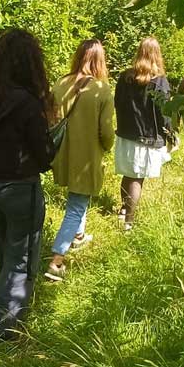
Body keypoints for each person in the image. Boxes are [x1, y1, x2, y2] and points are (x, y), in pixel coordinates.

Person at [0, 29, 55, 339]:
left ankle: (4, 310)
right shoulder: (28, 103)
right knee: (22, 257)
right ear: (31, 64)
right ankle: (1, 325)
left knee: (6, 250)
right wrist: (54, 144)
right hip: (19, 187)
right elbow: (44, 157)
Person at [45, 39, 115, 282]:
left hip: (63, 154)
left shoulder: (61, 83)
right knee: (76, 205)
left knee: (77, 197)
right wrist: (108, 146)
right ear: (100, 60)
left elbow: (50, 120)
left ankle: (78, 236)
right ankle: (56, 261)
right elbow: (106, 132)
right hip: (86, 155)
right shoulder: (101, 89)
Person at [113, 37, 173, 231]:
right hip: (147, 138)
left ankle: (124, 211)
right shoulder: (160, 82)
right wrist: (170, 134)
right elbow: (164, 113)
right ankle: (128, 223)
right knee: (137, 178)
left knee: (128, 174)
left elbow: (117, 104)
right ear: (157, 55)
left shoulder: (125, 77)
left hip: (126, 133)